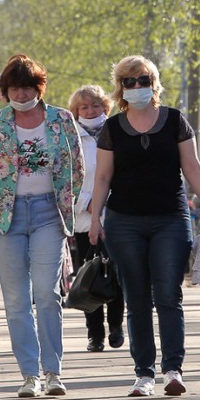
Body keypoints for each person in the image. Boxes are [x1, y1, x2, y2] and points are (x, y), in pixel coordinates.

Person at [88, 55, 200, 397]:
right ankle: (143, 374)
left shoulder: (175, 120)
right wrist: (94, 219)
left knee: (167, 294)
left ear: (154, 83)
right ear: (120, 89)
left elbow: (192, 166)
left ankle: (173, 370)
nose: (136, 87)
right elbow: (103, 177)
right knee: (136, 298)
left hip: (170, 220)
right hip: (123, 222)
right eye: (129, 82)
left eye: (143, 80)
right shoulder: (112, 128)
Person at [0, 53, 84, 398]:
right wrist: (1, 197)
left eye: (27, 88)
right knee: (17, 298)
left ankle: (53, 372)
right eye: (14, 89)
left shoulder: (62, 121)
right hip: (7, 218)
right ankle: (30, 375)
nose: (22, 95)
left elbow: (76, 168)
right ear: (5, 92)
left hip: (49, 214)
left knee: (46, 293)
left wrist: (65, 202)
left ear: (39, 88)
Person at [67, 84, 125, 353]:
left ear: (106, 107)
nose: (91, 111)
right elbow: (63, 183)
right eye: (84, 107)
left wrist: (108, 201)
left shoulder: (118, 131)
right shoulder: (70, 139)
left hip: (117, 216)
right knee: (89, 276)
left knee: (116, 274)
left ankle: (116, 326)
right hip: (83, 220)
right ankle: (95, 334)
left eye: (96, 105)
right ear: (76, 110)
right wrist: (87, 202)